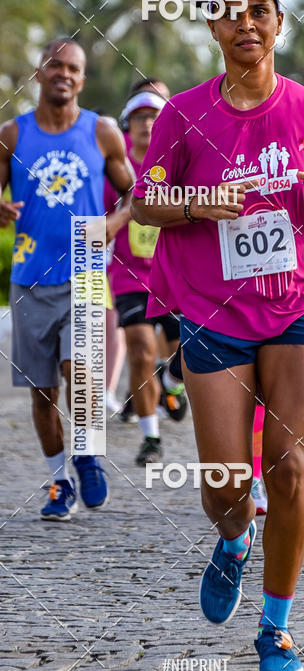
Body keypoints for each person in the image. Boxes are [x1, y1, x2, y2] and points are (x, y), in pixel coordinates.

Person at [131, 0, 304, 671]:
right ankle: (233, 540)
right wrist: (200, 202)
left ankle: (276, 628)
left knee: (289, 467)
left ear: (279, 24)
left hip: (296, 306)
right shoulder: (182, 115)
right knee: (227, 485)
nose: (248, 23)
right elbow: (144, 205)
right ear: (213, 26)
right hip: (211, 311)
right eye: (232, 11)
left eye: (262, 10)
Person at [0, 37, 134, 520]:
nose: (65, 74)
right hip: (29, 277)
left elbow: (137, 196)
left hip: (86, 272)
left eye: (74, 68)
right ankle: (60, 482)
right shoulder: (11, 135)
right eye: (56, 65)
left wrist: (111, 227)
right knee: (41, 392)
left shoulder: (102, 132)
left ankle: (86, 454)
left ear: (82, 78)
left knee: (81, 373)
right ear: (39, 72)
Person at [105, 87, 187, 466]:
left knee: (190, 350)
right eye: (139, 117)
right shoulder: (115, 170)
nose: (147, 124)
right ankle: (151, 437)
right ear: (128, 124)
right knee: (139, 349)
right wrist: (125, 210)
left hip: (174, 276)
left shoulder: (177, 164)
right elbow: (96, 223)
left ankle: (171, 381)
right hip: (128, 278)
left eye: (154, 117)